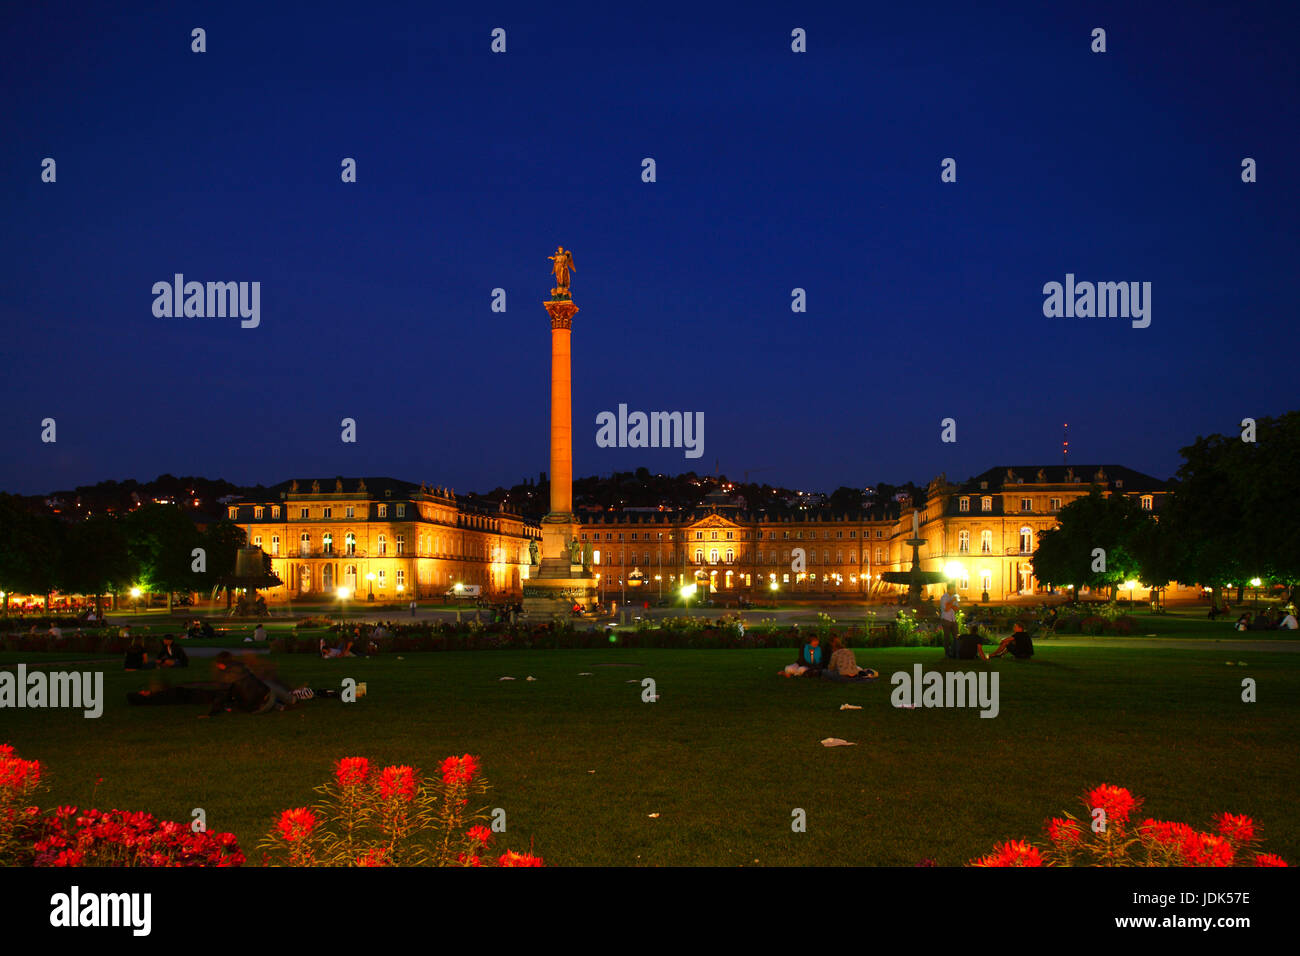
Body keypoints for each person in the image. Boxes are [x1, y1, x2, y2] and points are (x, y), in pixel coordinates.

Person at [939, 584, 959, 656]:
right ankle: (947, 653)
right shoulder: (944, 597)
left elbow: (956, 609)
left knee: (956, 636)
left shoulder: (954, 597)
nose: (954, 590)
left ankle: (956, 652)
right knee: (947, 637)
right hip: (946, 619)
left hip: (953, 619)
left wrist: (950, 604)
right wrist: (952, 603)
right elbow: (946, 609)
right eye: (953, 588)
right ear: (949, 589)